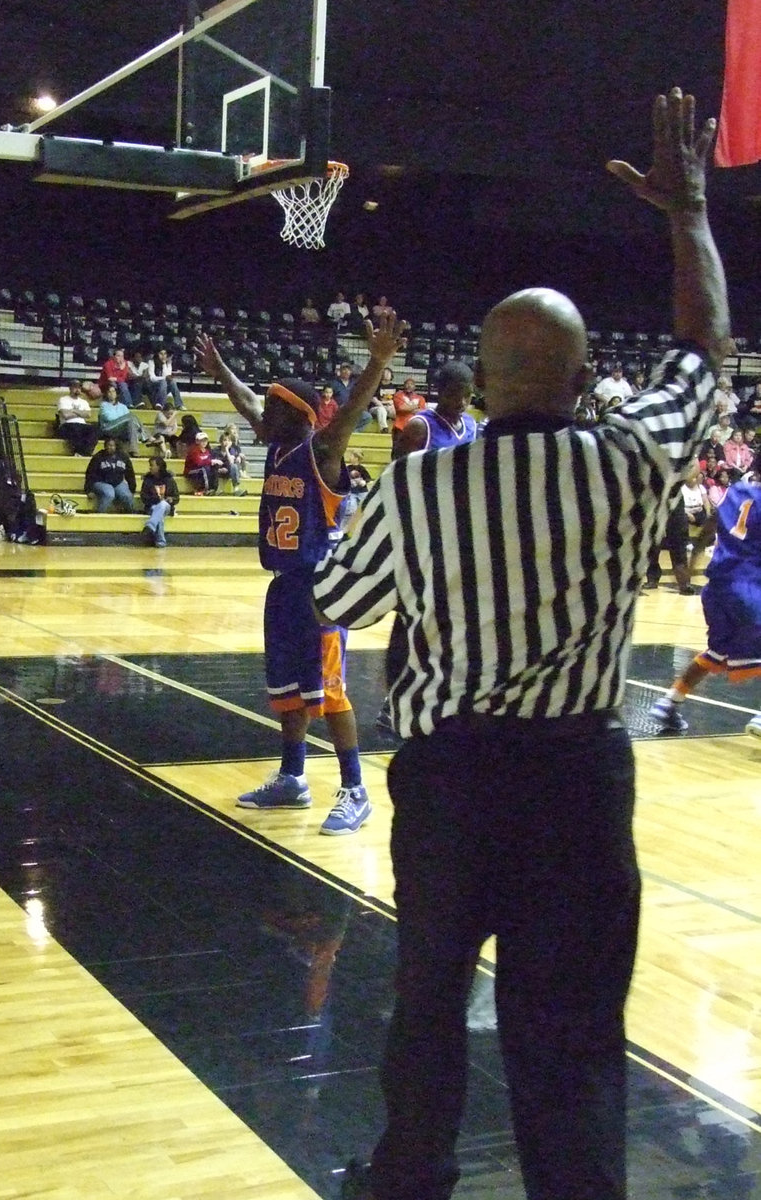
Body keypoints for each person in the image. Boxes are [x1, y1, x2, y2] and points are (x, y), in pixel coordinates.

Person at [315, 90, 729, 1200]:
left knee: (429, 993)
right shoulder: (628, 457)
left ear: (482, 383)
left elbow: (338, 600)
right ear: (585, 380)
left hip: (451, 780)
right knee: (574, 1028)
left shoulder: (416, 483)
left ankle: (409, 1176)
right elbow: (703, 348)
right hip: (577, 779)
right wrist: (686, 213)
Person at [197, 310, 407, 837]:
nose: (259, 412)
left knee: (330, 693)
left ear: (293, 415)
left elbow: (348, 415)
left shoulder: (322, 453)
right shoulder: (276, 447)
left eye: (271, 407)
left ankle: (354, 789)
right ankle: (293, 779)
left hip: (320, 589)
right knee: (289, 692)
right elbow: (246, 401)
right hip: (284, 587)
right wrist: (220, 370)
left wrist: (378, 363)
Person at [650, 472, 761, 738]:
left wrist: (695, 557)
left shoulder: (736, 491)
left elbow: (711, 523)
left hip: (717, 588)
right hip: (748, 587)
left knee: (717, 651)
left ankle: (669, 702)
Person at [392, 359, 477, 458]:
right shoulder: (420, 426)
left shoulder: (471, 424)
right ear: (440, 392)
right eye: (455, 395)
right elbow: (398, 469)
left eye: (467, 395)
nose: (462, 402)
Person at [84, 436, 136, 513]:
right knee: (109, 494)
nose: (110, 447)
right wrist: (88, 490)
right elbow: (90, 473)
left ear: (116, 446)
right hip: (101, 482)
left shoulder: (123, 457)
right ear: (105, 446)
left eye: (112, 445)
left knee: (127, 496)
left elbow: (130, 473)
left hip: (118, 482)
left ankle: (130, 514)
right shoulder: (98, 457)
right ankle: (99, 514)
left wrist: (132, 489)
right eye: (108, 445)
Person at [140, 454, 179, 548]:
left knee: (163, 505)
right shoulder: (147, 480)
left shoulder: (169, 479)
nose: (150, 468)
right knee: (158, 513)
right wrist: (156, 500)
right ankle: (160, 541)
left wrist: (171, 499)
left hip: (167, 507)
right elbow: (144, 497)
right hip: (152, 506)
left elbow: (176, 497)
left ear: (159, 466)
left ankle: (150, 525)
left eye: (152, 465)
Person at [97, 382, 143, 455]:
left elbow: (129, 421)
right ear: (106, 394)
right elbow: (109, 418)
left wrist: (124, 420)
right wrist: (123, 419)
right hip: (109, 428)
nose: (111, 393)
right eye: (109, 392)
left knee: (133, 425)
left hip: (121, 431)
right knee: (130, 417)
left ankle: (134, 450)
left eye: (113, 391)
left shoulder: (123, 406)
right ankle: (147, 438)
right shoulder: (104, 405)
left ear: (116, 393)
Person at [56, 381, 100, 456]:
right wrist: (81, 413)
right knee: (75, 429)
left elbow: (88, 414)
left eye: (79, 388)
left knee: (95, 429)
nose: (77, 389)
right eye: (75, 387)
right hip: (67, 425)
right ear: (70, 388)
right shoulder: (63, 400)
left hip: (82, 425)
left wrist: (73, 411)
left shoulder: (84, 402)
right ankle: (79, 451)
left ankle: (84, 452)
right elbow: (66, 415)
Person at [389, 376, 426, 450]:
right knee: (397, 450)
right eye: (407, 384)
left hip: (414, 428)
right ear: (404, 385)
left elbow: (421, 411)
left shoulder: (420, 398)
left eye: (411, 384)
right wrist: (415, 407)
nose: (409, 386)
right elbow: (401, 408)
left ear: (414, 387)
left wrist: (408, 408)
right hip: (400, 427)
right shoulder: (398, 395)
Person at [183, 430, 218, 494]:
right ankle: (206, 489)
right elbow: (198, 463)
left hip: (201, 470)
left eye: (205, 440)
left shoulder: (207, 451)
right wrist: (210, 461)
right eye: (202, 440)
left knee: (214, 468)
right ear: (197, 441)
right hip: (191, 471)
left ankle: (214, 489)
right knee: (204, 469)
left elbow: (208, 462)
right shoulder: (194, 451)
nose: (204, 442)